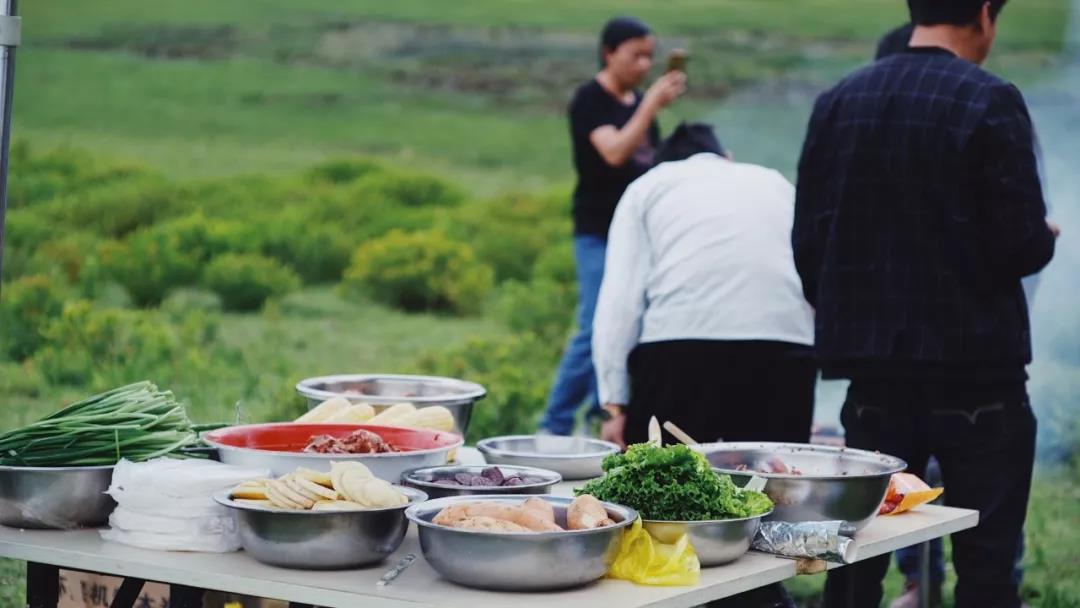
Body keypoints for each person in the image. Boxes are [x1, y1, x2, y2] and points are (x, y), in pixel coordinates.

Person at [793, 0, 1059, 606]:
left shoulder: (838, 101)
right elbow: (1019, 243)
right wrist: (1041, 237)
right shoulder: (990, 99)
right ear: (987, 14)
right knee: (986, 564)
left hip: (873, 375)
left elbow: (809, 243)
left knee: (856, 555)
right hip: (977, 378)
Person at [593, 122, 816, 449]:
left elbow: (620, 303)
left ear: (664, 162)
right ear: (726, 157)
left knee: (664, 483)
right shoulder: (775, 183)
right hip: (783, 346)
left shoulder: (649, 186)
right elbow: (811, 268)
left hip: (680, 348)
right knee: (775, 487)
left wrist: (615, 404)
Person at [538, 16, 686, 435]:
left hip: (640, 236)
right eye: (635, 55)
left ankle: (599, 415)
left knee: (632, 326)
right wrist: (650, 106)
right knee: (593, 327)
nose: (644, 65)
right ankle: (554, 424)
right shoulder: (591, 99)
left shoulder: (637, 104)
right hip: (598, 231)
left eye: (649, 57)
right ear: (609, 52)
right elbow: (615, 152)